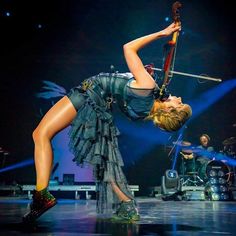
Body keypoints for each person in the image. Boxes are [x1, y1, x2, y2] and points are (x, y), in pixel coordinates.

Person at [23, 22, 192, 223]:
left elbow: (128, 48)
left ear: (170, 110)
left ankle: (41, 195)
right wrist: (144, 75)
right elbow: (128, 91)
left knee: (40, 134)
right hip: (97, 104)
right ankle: (127, 205)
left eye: (179, 103)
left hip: (89, 96)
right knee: (103, 161)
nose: (178, 98)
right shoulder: (145, 108)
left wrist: (162, 33)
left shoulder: (148, 87)